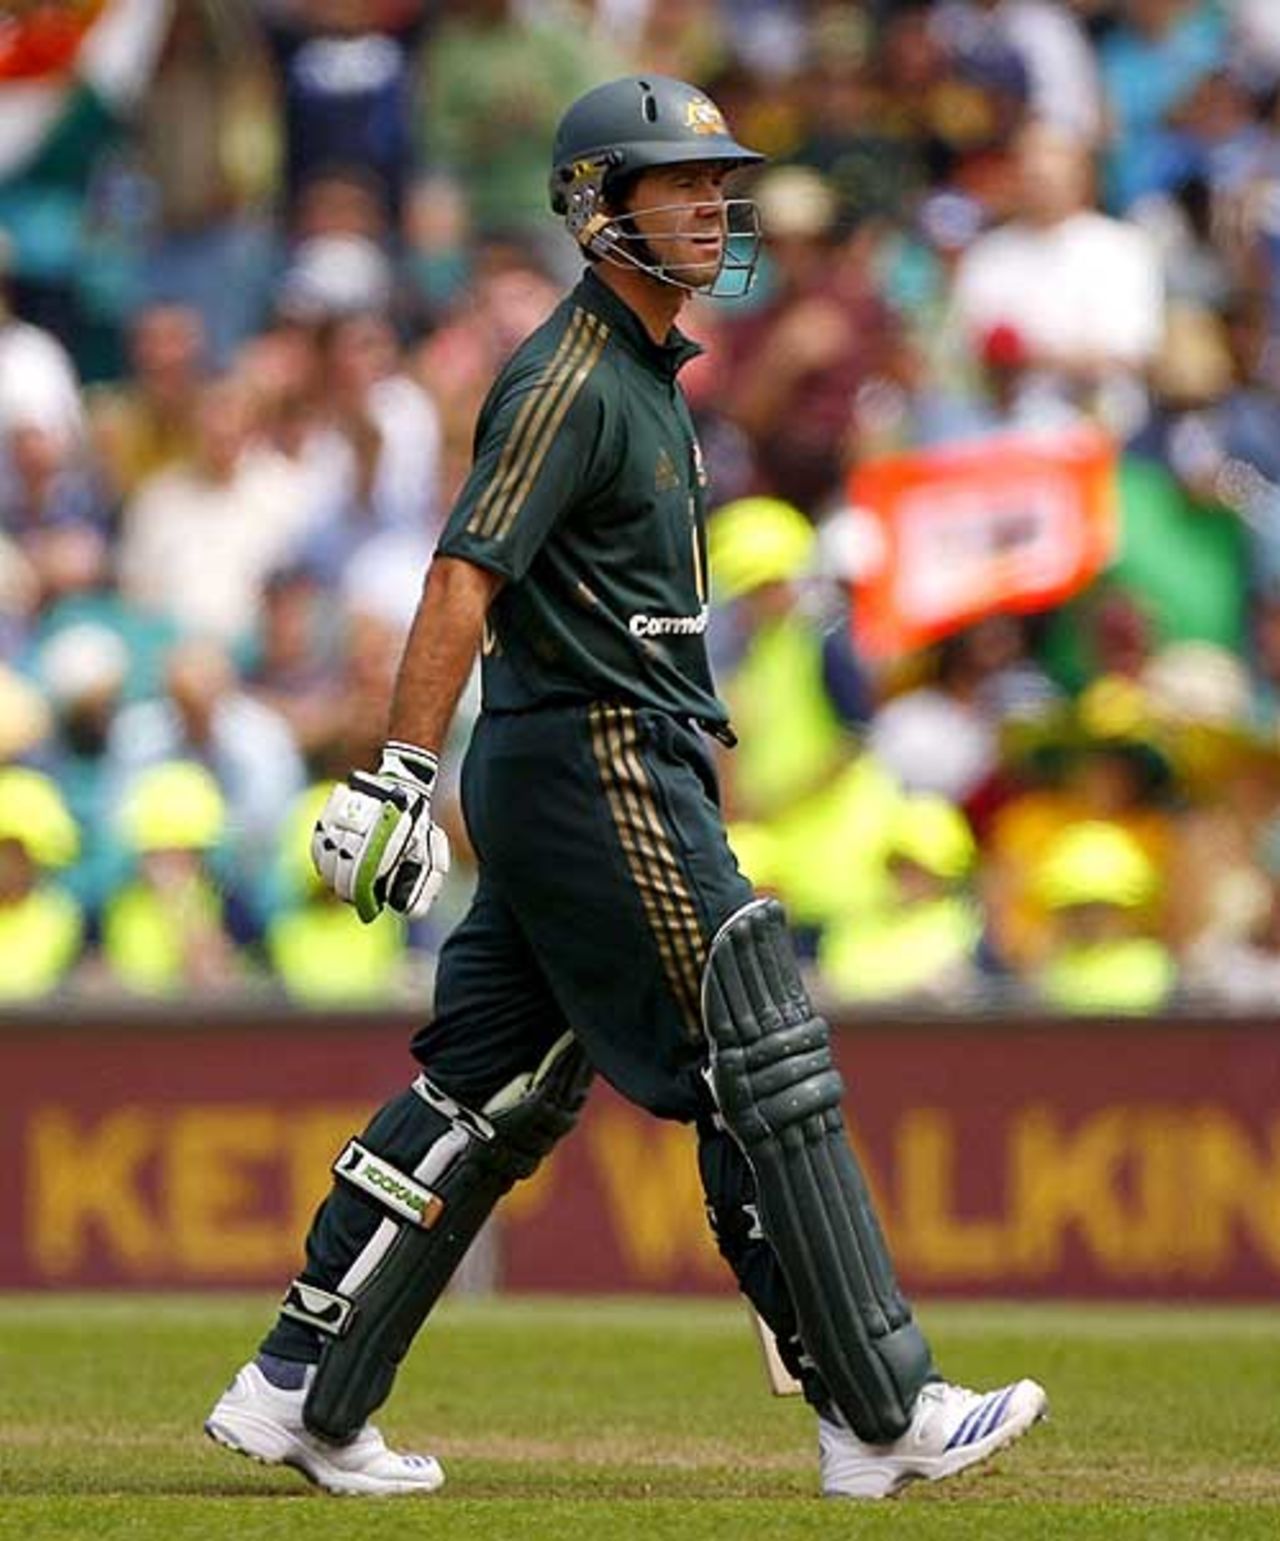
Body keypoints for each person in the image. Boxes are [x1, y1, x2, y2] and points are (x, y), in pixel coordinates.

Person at [205, 73, 1047, 1501]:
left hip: (593, 756)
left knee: (496, 1081)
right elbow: (464, 568)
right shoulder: (571, 375)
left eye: (723, 183)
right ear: (600, 208)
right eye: (682, 183)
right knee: (755, 1039)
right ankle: (881, 1406)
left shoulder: (648, 373)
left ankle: (301, 1380)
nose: (717, 205)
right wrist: (400, 772)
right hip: (591, 753)